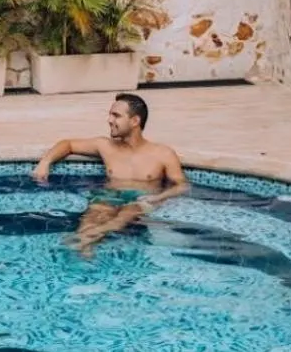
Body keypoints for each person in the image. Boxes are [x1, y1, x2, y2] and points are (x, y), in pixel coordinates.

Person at [31, 93, 189, 257]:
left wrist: (157, 198)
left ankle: (82, 242)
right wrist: (45, 163)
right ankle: (85, 253)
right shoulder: (105, 146)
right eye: (110, 115)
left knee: (127, 213)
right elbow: (68, 144)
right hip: (110, 196)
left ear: (135, 121)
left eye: (116, 116)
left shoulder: (162, 153)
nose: (109, 120)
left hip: (142, 200)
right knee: (94, 213)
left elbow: (181, 185)